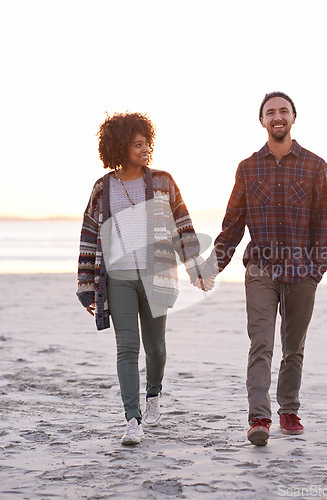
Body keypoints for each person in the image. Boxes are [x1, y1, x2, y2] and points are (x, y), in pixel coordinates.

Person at [77, 112, 213, 445]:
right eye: (137, 144)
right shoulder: (103, 187)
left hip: (157, 276)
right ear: (120, 147)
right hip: (118, 277)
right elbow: (89, 233)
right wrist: (86, 284)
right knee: (127, 347)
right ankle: (132, 420)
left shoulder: (164, 181)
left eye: (146, 143)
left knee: (155, 347)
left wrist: (196, 266)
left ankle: (154, 393)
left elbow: (182, 225)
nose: (145, 149)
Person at [202, 92, 327, 446]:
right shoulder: (247, 167)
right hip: (260, 268)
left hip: (302, 271)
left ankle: (288, 408)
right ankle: (259, 418)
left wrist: (317, 268)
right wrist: (213, 265)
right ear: (262, 121)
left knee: (294, 347)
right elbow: (233, 223)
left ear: (293, 118)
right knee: (261, 344)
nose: (277, 116)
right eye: (270, 112)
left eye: (283, 111)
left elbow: (323, 223)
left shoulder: (315, 166)